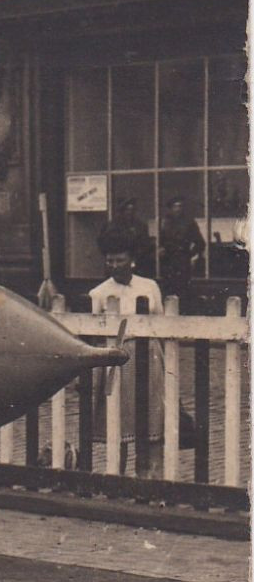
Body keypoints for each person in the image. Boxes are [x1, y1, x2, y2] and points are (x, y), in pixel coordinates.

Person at [89, 231, 167, 476]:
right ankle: (116, 477)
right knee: (117, 420)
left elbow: (162, 323)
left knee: (151, 419)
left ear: (132, 260)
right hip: (116, 359)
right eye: (110, 260)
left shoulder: (149, 287)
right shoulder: (99, 293)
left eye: (120, 260)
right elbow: (95, 333)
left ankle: (149, 479)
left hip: (150, 356)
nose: (114, 265)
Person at [157, 197, 206, 302]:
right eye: (175, 206)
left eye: (180, 206)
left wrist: (189, 254)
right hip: (167, 261)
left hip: (182, 261)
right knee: (168, 289)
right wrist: (161, 249)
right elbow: (160, 241)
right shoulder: (165, 222)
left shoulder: (189, 223)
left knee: (182, 289)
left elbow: (200, 243)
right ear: (170, 208)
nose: (178, 209)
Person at [98, 199, 156, 278]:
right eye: (127, 209)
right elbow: (103, 242)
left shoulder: (140, 225)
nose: (129, 212)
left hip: (137, 260)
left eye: (132, 209)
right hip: (118, 258)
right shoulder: (112, 225)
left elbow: (145, 242)